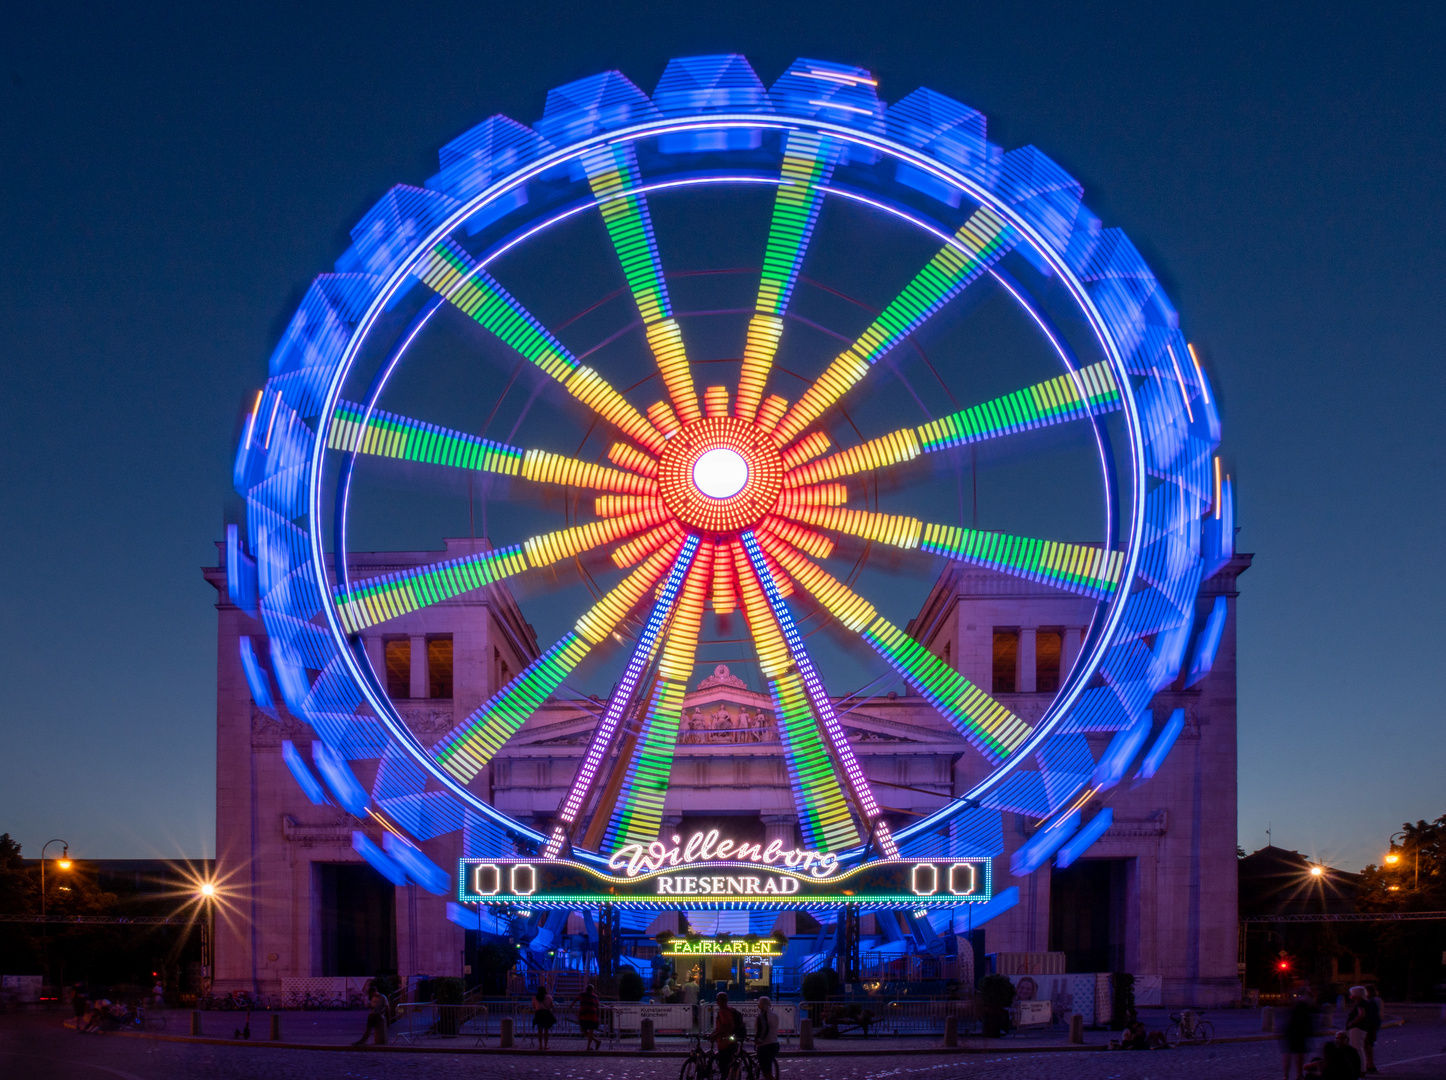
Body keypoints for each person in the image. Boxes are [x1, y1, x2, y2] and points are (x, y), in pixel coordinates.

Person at [1283, 991, 1317, 1080]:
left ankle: (1286, 1075)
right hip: (1299, 1031)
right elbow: (1309, 1019)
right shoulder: (1305, 1006)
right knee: (1299, 1054)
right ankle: (1298, 1074)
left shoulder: (1295, 1006)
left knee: (1288, 1054)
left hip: (1291, 1031)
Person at [712, 991, 742, 1080]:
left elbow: (727, 1027)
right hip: (731, 1042)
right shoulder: (730, 1009)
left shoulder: (723, 1011)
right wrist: (714, 1033)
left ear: (717, 1001)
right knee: (730, 1068)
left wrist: (715, 1035)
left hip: (725, 1043)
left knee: (724, 1069)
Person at [352, 981, 387, 1046]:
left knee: (370, 1029)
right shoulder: (373, 998)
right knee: (368, 1029)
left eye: (371, 993)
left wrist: (381, 1013)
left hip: (377, 1015)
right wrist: (369, 1006)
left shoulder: (382, 997)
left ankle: (363, 1041)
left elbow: (387, 1007)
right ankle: (363, 1041)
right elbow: (371, 1006)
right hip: (372, 1014)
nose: (371, 995)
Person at [755, 995, 781, 1080]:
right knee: (767, 1068)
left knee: (767, 1073)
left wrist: (758, 1040)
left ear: (761, 1004)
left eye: (759, 1003)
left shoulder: (762, 1016)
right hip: (775, 1044)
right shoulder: (775, 1015)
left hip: (765, 1045)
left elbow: (763, 1029)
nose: (758, 1005)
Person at [1345, 987, 1368, 1068]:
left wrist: (1352, 1022)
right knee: (1359, 1048)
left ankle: (1360, 1068)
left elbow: (1361, 1014)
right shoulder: (1363, 1002)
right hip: (1360, 1028)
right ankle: (1361, 1067)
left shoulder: (1360, 1003)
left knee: (1357, 1049)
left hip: (1357, 1028)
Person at [1362, 985, 1381, 1074]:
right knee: (1368, 1045)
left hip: (1370, 1026)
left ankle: (1370, 1065)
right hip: (1372, 1026)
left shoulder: (1370, 1002)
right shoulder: (1372, 1001)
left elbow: (1369, 1016)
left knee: (1368, 1045)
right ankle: (1369, 1065)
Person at [577, 982, 601, 1052]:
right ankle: (595, 1042)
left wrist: (571, 1006)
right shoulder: (595, 997)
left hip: (584, 1015)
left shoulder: (582, 995)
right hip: (592, 1016)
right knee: (590, 1032)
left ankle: (591, 1045)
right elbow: (597, 1006)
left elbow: (576, 999)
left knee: (584, 1030)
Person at [532, 983, 555, 1050]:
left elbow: (534, 1007)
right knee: (546, 1030)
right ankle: (545, 1045)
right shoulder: (549, 997)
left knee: (539, 1030)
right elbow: (551, 1006)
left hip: (539, 1014)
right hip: (546, 1013)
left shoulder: (534, 998)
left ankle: (540, 1045)